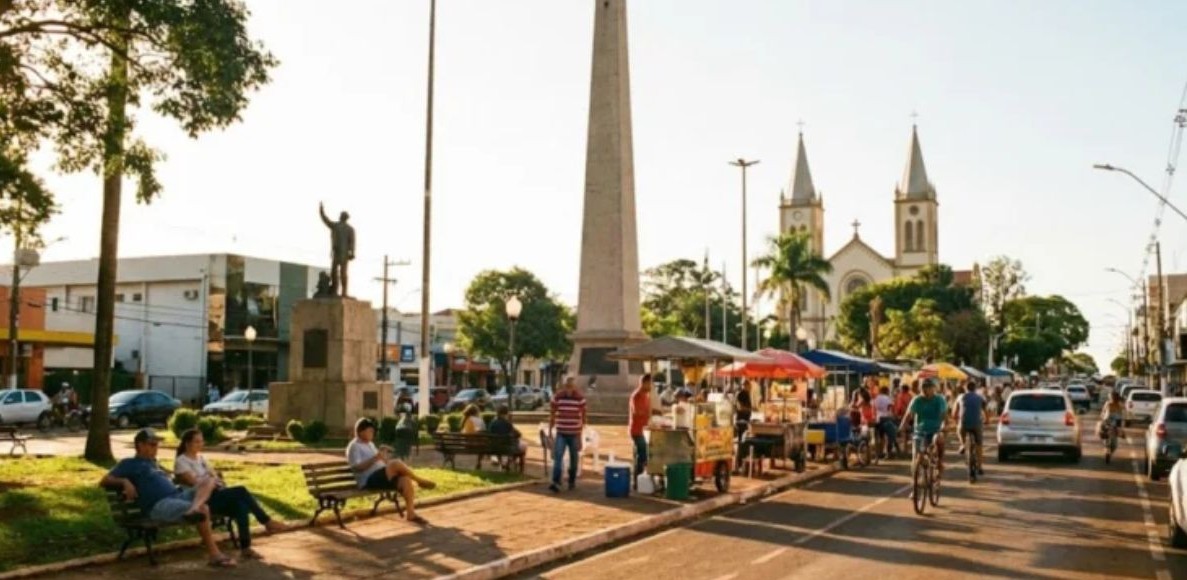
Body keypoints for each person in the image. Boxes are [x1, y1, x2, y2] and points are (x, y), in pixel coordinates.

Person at [100, 429, 236, 568]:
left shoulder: (154, 464)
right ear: (140, 445)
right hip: (159, 505)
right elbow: (104, 480)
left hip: (178, 496)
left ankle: (194, 508)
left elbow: (174, 478)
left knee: (209, 480)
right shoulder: (129, 463)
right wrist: (124, 481)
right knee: (203, 509)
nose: (156, 448)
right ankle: (215, 555)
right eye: (152, 444)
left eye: (157, 444)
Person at [175, 429, 287, 559]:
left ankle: (246, 548)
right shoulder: (181, 461)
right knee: (241, 490)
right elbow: (194, 483)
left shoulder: (201, 458)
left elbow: (216, 477)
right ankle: (266, 521)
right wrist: (211, 480)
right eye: (197, 442)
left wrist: (213, 480)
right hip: (201, 500)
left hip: (216, 494)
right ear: (187, 443)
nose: (201, 444)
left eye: (201, 441)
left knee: (241, 506)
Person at [346, 418, 436, 525]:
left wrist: (383, 457)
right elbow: (356, 468)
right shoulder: (354, 446)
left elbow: (381, 462)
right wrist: (375, 458)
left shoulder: (370, 444)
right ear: (361, 432)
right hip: (368, 480)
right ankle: (419, 480)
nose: (372, 433)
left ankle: (411, 514)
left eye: (373, 431)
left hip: (380, 477)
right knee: (395, 463)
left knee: (405, 480)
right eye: (370, 431)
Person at [899, 380, 948, 497]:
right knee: (915, 460)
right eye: (924, 388)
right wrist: (902, 426)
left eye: (929, 387)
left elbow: (944, 417)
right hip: (920, 432)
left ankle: (940, 463)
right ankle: (915, 489)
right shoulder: (917, 400)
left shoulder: (939, 400)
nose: (926, 390)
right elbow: (908, 415)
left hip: (935, 430)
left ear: (934, 388)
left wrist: (943, 426)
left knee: (939, 439)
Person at [548, 376, 587, 493]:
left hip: (574, 433)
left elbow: (583, 417)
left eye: (571, 386)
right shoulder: (558, 397)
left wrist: (580, 434)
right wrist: (550, 430)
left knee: (574, 458)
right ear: (564, 386)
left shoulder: (580, 398)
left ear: (574, 387)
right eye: (567, 386)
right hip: (561, 432)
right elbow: (552, 414)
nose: (569, 389)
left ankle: (571, 480)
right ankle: (556, 481)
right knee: (558, 456)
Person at [952, 381, 989, 483]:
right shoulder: (980, 397)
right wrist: (987, 420)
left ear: (966, 388)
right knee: (979, 444)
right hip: (976, 424)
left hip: (964, 423)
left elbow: (954, 413)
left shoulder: (960, 397)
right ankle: (980, 466)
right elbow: (985, 411)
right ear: (975, 388)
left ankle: (962, 444)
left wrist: (956, 420)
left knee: (959, 429)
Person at [629, 376, 654, 478]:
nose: (651, 386)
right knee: (641, 456)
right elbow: (637, 411)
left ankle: (639, 478)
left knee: (643, 455)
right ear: (644, 383)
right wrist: (649, 413)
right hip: (637, 430)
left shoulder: (646, 396)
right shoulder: (637, 396)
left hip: (643, 430)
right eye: (649, 384)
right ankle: (637, 479)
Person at [873, 386, 898, 458]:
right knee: (889, 436)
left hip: (878, 418)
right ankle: (888, 452)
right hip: (886, 417)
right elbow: (891, 407)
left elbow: (874, 408)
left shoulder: (876, 398)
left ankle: (880, 453)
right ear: (886, 391)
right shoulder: (887, 398)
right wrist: (894, 415)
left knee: (881, 436)